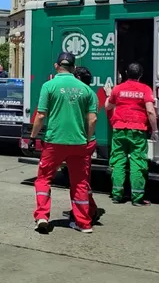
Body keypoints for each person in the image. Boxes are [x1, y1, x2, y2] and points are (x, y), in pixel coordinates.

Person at [29, 52, 98, 234]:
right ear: (74, 68)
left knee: (44, 179)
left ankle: (42, 216)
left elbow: (41, 115)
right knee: (80, 183)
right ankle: (84, 224)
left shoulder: (49, 86)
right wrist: (87, 138)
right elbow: (92, 120)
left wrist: (33, 136)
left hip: (54, 141)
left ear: (56, 66)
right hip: (79, 143)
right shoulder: (87, 90)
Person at [103, 62, 157, 206]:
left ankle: (116, 196)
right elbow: (150, 111)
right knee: (137, 162)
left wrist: (109, 95)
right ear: (141, 75)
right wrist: (155, 130)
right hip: (138, 130)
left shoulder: (118, 89)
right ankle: (137, 198)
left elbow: (108, 106)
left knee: (118, 161)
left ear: (127, 73)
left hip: (119, 129)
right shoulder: (145, 89)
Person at [61, 66, 101, 223]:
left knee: (79, 182)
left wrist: (86, 139)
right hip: (85, 141)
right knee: (82, 179)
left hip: (81, 141)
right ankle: (89, 209)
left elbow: (91, 120)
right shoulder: (90, 94)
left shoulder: (82, 94)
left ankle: (85, 213)